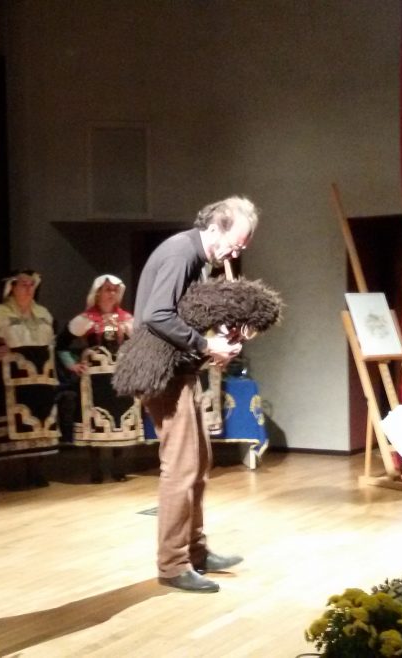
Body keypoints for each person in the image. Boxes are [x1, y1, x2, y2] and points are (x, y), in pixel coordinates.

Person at [134, 195, 259, 593]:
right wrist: (206, 346)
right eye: (236, 244)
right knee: (181, 467)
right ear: (215, 227)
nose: (236, 253)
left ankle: (196, 551)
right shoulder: (181, 254)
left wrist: (222, 334)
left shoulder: (199, 260)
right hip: (162, 371)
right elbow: (156, 315)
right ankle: (173, 564)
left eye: (242, 247)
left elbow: (182, 315)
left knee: (200, 461)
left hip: (180, 369)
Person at [0, 270, 61, 488]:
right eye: (23, 284)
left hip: (38, 379)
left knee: (37, 422)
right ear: (12, 287)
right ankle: (14, 476)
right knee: (12, 425)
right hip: (11, 379)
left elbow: (52, 340)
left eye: (31, 284)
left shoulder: (43, 313)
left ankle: (35, 471)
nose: (28, 289)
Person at [57, 274, 144, 483]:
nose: (111, 293)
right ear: (97, 293)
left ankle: (118, 469)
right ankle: (96, 470)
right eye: (107, 289)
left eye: (114, 290)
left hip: (120, 379)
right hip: (95, 382)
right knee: (95, 422)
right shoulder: (85, 320)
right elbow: (61, 344)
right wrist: (72, 364)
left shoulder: (127, 319)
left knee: (119, 418)